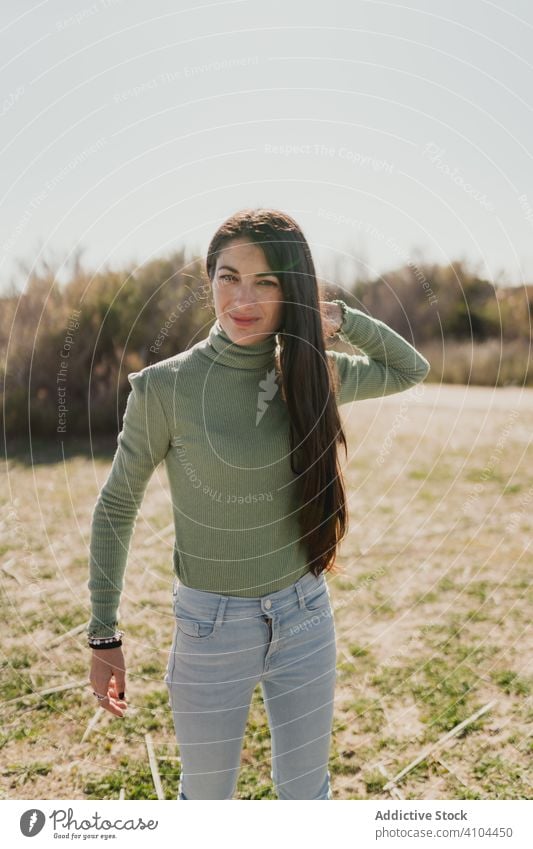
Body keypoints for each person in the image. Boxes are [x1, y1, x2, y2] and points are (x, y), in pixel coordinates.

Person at [87, 207, 430, 800]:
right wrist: (103, 634)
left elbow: (410, 368)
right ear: (209, 279)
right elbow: (117, 505)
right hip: (210, 626)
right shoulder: (165, 387)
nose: (242, 298)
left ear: (291, 289)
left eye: (266, 281)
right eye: (228, 276)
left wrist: (339, 320)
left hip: (305, 614)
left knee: (305, 795)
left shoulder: (312, 371)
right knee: (208, 800)